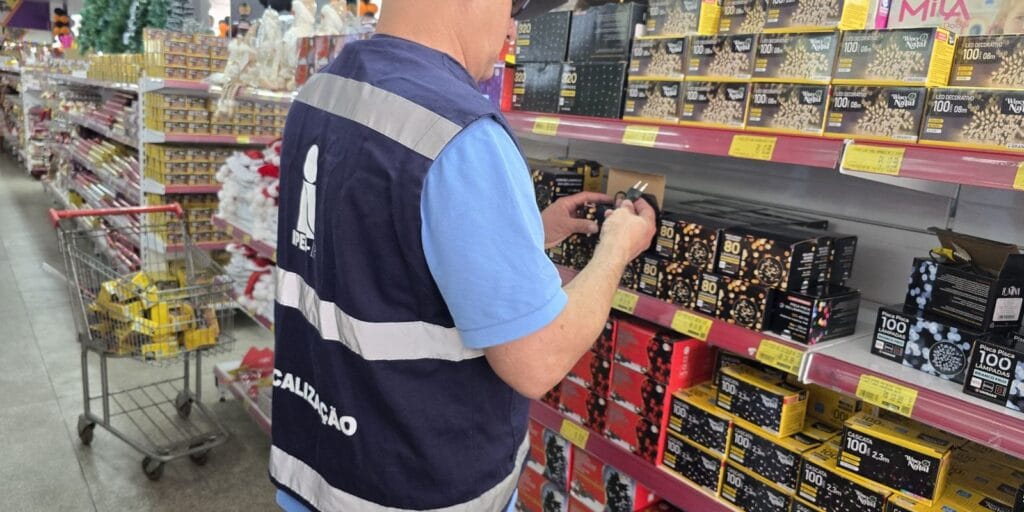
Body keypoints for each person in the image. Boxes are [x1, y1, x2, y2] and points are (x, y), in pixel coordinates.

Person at [270, 0, 657, 511]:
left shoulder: (324, 90)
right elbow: (536, 360)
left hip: (320, 467)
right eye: (512, 7)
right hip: (416, 485)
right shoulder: (460, 132)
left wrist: (522, 236)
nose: (512, 29)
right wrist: (616, 249)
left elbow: (373, 249)